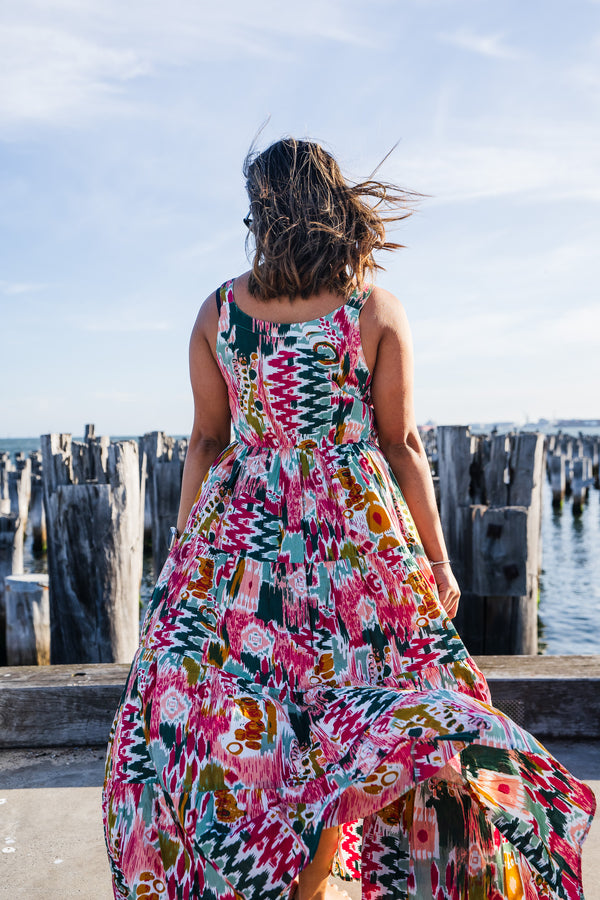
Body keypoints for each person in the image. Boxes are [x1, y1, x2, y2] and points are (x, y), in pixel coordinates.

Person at [102, 138, 595, 900]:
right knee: (361, 709)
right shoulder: (373, 308)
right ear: (333, 205)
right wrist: (436, 560)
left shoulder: (219, 311)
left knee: (250, 712)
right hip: (354, 541)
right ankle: (334, 874)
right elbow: (400, 445)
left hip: (243, 541)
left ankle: (280, 879)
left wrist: (183, 553)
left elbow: (207, 440)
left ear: (263, 213)